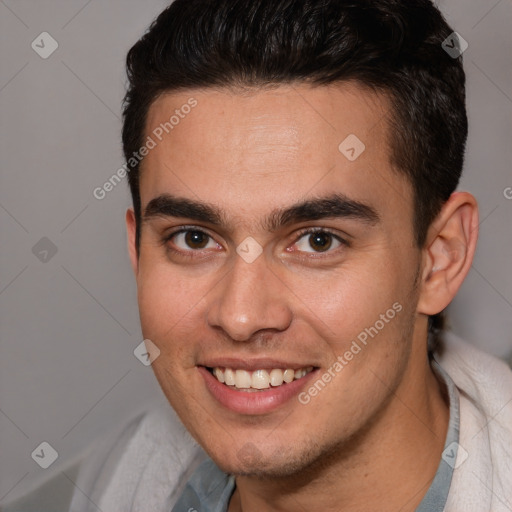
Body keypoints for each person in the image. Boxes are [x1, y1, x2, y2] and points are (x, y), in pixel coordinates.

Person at [4, 1, 511, 511]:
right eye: (194, 238)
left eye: (317, 240)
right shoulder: (105, 484)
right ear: (137, 252)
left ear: (439, 258)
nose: (241, 317)